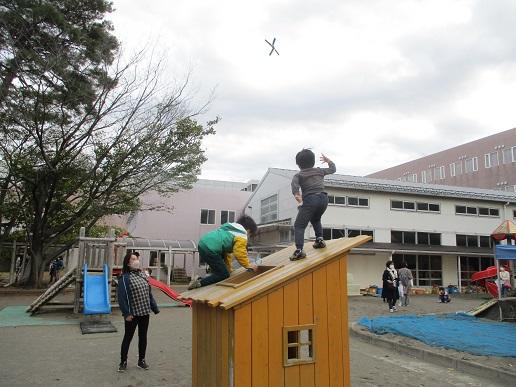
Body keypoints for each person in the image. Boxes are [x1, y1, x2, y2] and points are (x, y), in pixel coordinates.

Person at [188, 215, 258, 289]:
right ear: (248, 230)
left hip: (203, 244)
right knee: (223, 275)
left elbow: (226, 255)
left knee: (219, 270)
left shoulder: (229, 231)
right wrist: (248, 265)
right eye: (250, 234)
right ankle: (199, 283)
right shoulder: (242, 235)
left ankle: (201, 280)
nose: (248, 236)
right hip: (211, 248)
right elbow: (240, 253)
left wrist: (229, 269)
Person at [290, 149, 336, 261]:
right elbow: (333, 169)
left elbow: (294, 185)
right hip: (324, 199)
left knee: (299, 226)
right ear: (313, 161)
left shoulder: (299, 175)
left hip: (311, 200)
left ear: (298, 164)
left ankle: (299, 250)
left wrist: (297, 194)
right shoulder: (319, 171)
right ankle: (319, 239)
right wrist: (328, 160)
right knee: (316, 219)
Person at [117, 251, 160, 372]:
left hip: (145, 312)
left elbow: (148, 293)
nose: (136, 261)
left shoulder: (142, 275)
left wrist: (154, 308)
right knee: (128, 337)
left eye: (136, 258)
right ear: (128, 263)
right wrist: (126, 313)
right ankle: (123, 362)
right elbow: (122, 298)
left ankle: (141, 361)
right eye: (133, 259)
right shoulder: (124, 278)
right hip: (132, 314)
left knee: (143, 337)